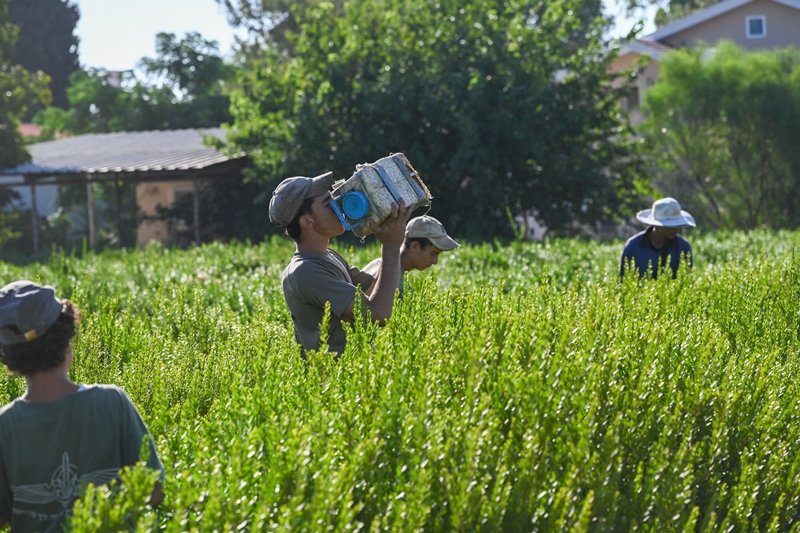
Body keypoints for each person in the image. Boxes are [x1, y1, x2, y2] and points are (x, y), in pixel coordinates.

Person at [0, 280, 164, 532]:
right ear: (66, 340)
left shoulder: (5, 426)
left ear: (8, 357)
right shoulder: (112, 403)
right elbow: (155, 492)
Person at [269, 171, 409, 355]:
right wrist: (390, 246)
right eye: (328, 203)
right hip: (336, 378)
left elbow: (374, 288)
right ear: (307, 221)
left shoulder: (328, 256)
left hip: (356, 373)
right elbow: (378, 315)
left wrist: (387, 221)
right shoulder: (306, 272)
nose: (339, 206)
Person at [362, 215, 459, 297]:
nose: (435, 261)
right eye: (433, 253)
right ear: (414, 246)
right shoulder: (398, 287)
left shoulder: (377, 263)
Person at [620, 197, 696, 279]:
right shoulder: (633, 246)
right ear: (657, 225)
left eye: (677, 225)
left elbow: (687, 280)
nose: (676, 229)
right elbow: (623, 280)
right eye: (670, 225)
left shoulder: (683, 247)